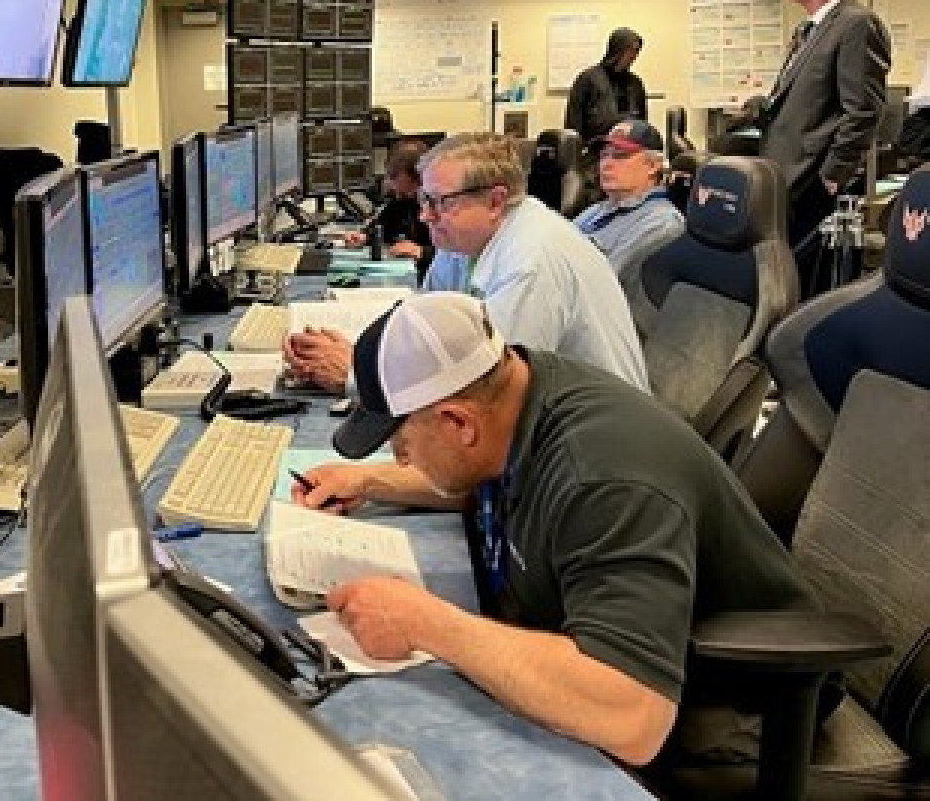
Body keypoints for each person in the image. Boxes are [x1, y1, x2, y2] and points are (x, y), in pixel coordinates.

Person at [296, 292, 816, 767]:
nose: (399, 455)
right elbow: (481, 469)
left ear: (458, 423)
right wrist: (372, 480)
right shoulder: (522, 389)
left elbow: (633, 715)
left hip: (732, 709)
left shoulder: (605, 478)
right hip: (623, 649)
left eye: (399, 440)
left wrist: (426, 623)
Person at [283, 134, 648, 392]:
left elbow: (488, 392)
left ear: (495, 201)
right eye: (424, 199)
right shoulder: (462, 238)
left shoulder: (531, 262)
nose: (425, 216)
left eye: (439, 202)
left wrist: (356, 377)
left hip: (589, 455)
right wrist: (359, 352)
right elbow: (423, 324)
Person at [761, 0, 891, 295]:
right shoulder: (809, 30)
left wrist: (833, 174)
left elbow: (864, 109)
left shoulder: (856, 24)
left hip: (813, 178)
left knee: (804, 284)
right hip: (786, 173)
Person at [573, 120, 684, 280]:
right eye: (603, 155)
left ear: (653, 166)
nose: (606, 164)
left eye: (620, 156)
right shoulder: (598, 209)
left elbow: (602, 283)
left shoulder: (662, 224)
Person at [342, 139, 434, 272]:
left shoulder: (442, 205)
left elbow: (460, 254)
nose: (397, 194)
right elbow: (385, 224)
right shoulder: (403, 199)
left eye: (395, 176)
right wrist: (365, 236)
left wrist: (423, 252)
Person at [564, 28, 648, 145]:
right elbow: (573, 122)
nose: (633, 56)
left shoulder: (636, 84)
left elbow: (642, 123)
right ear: (617, 49)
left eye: (636, 51)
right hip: (595, 150)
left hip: (628, 151)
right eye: (630, 50)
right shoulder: (588, 79)